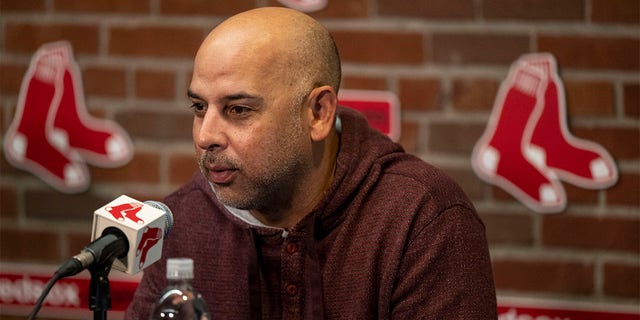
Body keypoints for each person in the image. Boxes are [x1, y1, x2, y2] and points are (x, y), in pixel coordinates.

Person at [125, 7, 497, 319]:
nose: (206, 136)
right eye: (199, 108)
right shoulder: (181, 220)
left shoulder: (421, 219)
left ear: (318, 112)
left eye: (238, 110)